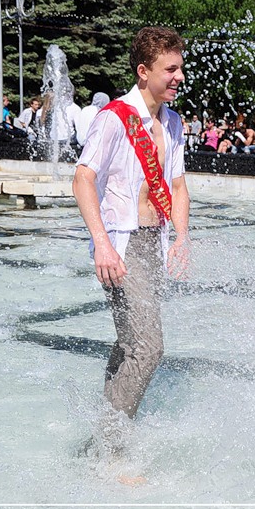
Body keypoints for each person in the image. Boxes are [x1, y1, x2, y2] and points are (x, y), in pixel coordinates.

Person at [72, 26, 191, 425]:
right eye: (170, 69)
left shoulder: (173, 123)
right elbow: (82, 178)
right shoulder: (114, 118)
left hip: (153, 242)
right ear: (143, 71)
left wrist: (181, 236)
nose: (179, 77)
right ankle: (112, 440)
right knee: (149, 348)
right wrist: (102, 244)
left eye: (180, 68)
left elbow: (178, 186)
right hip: (121, 245)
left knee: (129, 343)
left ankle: (105, 421)